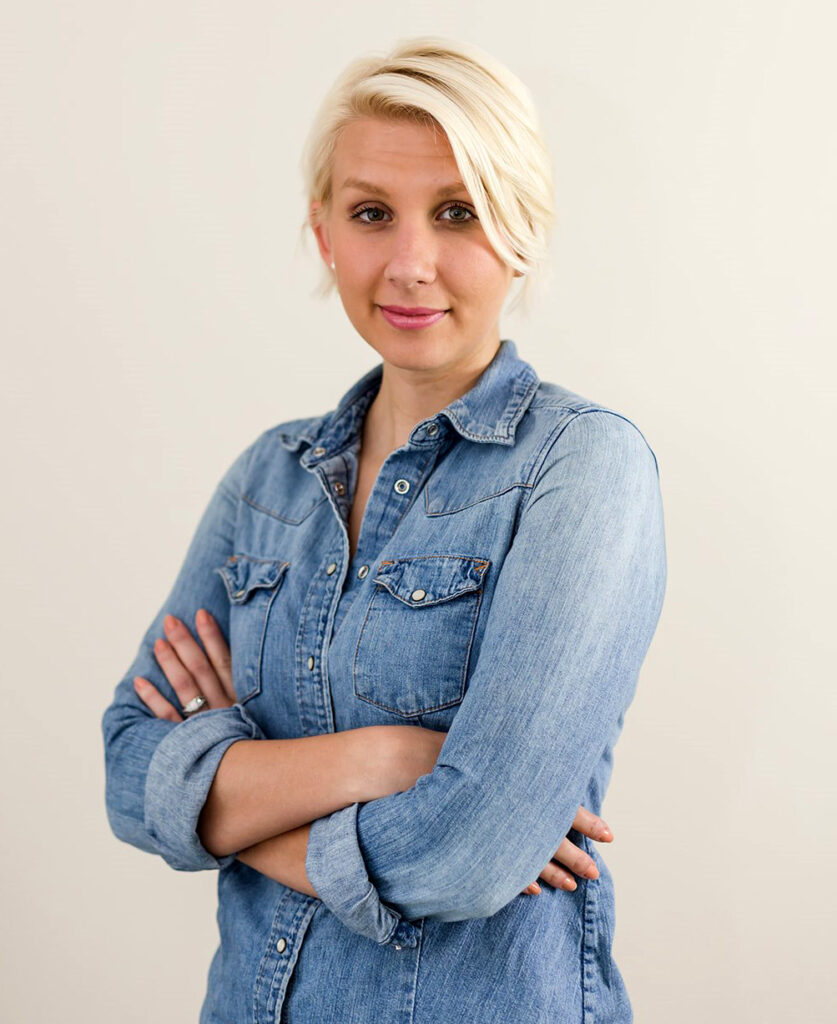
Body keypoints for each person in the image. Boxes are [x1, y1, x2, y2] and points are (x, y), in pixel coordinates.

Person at [101, 36, 667, 1023]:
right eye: (372, 213)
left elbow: (472, 851)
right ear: (323, 231)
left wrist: (230, 815)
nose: (410, 264)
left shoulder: (583, 469)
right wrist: (385, 759)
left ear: (522, 228)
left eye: (458, 212)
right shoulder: (268, 482)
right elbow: (125, 769)